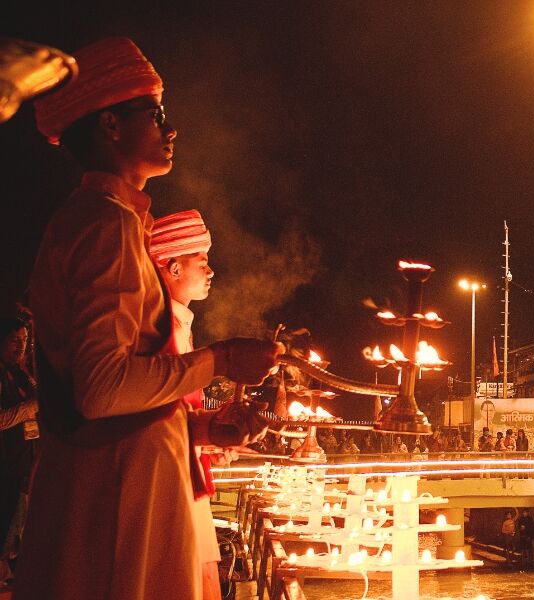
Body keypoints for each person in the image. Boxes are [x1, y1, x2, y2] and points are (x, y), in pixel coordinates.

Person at [16, 38, 280, 600]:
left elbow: (113, 398)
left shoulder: (112, 221)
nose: (170, 129)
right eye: (156, 114)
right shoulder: (103, 224)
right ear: (110, 124)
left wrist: (202, 428)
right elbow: (101, 389)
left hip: (121, 485)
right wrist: (223, 359)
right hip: (116, 499)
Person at [148, 210, 224, 599]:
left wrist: (211, 437)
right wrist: (207, 431)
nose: (211, 271)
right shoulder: (161, 328)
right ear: (174, 266)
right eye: (203, 261)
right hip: (172, 482)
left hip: (183, 470)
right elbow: (159, 412)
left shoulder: (178, 323)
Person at [0, 317, 37, 580]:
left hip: (26, 464)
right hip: (6, 466)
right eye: (15, 340)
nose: (21, 347)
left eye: (25, 341)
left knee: (19, 529)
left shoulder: (22, 374)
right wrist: (32, 407)